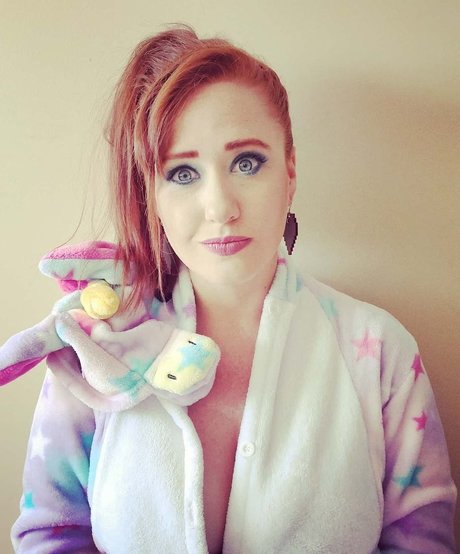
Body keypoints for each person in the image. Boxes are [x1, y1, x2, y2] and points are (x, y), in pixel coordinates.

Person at [2, 25, 456, 553]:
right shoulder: (96, 347)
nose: (220, 207)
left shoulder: (381, 354)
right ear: (152, 195)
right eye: (182, 173)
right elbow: (50, 534)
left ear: (290, 171)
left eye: (246, 163)